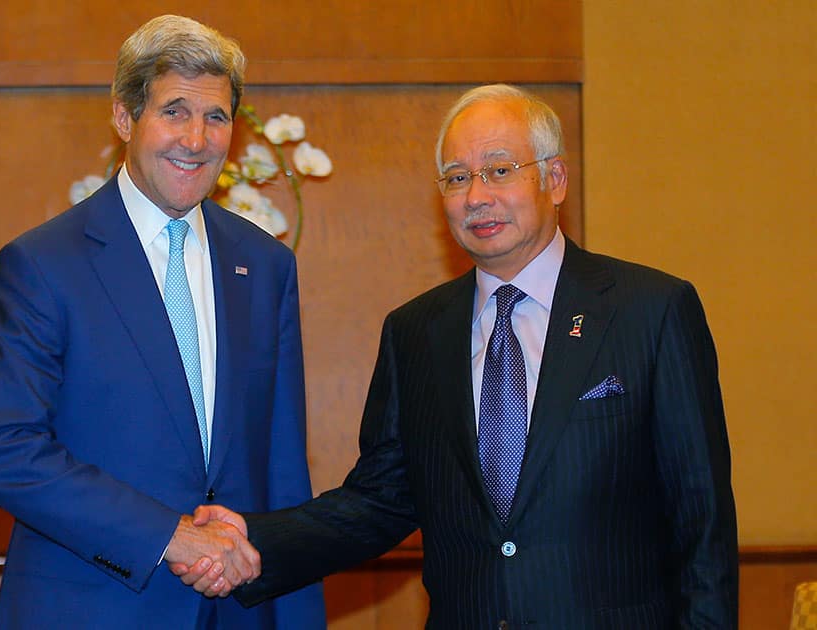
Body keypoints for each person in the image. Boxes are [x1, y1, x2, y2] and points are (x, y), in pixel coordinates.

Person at [176, 84, 739, 628]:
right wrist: (252, 540)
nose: (477, 196)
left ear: (556, 179)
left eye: (499, 170)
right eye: (457, 177)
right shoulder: (416, 333)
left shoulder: (652, 311)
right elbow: (381, 501)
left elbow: (702, 519)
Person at [0, 14, 325, 629]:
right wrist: (168, 536)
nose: (196, 138)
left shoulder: (265, 266)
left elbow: (282, 468)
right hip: (92, 610)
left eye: (215, 117)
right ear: (125, 119)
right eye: (174, 112)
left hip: (239, 611)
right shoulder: (45, 264)